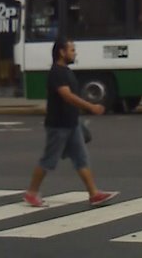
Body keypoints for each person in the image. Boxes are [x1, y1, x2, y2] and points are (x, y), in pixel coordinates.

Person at [24, 38, 118, 208]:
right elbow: (66, 96)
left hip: (71, 123)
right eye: (72, 50)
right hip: (58, 125)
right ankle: (31, 193)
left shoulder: (65, 71)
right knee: (48, 161)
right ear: (62, 52)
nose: (75, 53)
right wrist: (90, 106)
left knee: (81, 158)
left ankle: (94, 194)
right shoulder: (57, 73)